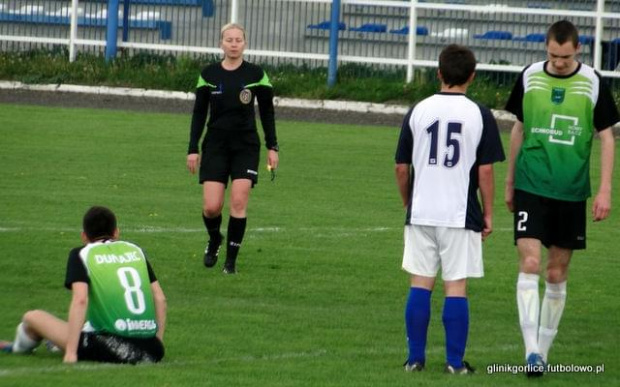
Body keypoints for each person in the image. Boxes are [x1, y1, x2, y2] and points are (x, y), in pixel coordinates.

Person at [505, 19, 618, 377]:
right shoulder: (530, 76)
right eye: (553, 55)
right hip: (531, 184)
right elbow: (519, 128)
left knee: (556, 271)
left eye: (565, 57)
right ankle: (531, 352)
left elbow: (607, 137)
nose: (558, 62)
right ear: (546, 47)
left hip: (571, 191)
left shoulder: (593, 82)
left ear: (578, 49)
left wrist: (604, 189)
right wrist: (509, 181)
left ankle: (545, 350)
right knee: (531, 264)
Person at [395, 44, 505, 374]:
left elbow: (401, 167)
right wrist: (488, 213)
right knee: (456, 286)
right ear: (472, 76)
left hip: (422, 212)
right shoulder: (480, 114)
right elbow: (485, 171)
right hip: (459, 214)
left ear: (438, 73)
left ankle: (415, 359)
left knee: (420, 283)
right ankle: (455, 364)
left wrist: (408, 202)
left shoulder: (418, 110)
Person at [0, 206, 167, 364]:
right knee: (89, 325)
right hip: (152, 350)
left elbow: (80, 300)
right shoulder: (135, 250)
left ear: (84, 236)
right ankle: (59, 342)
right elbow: (160, 298)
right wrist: (157, 344)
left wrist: (71, 353)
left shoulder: (82, 253)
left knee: (32, 317)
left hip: (113, 347)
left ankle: (18, 348)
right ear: (116, 232)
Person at [186, 22, 279, 274]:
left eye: (238, 40)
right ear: (221, 44)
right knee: (211, 207)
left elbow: (268, 113)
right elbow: (198, 113)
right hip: (215, 145)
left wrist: (273, 147)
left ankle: (230, 263)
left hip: (246, 145)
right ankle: (215, 238)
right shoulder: (208, 74)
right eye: (229, 40)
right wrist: (192, 148)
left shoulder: (256, 74)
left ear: (245, 44)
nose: (234, 44)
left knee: (238, 202)